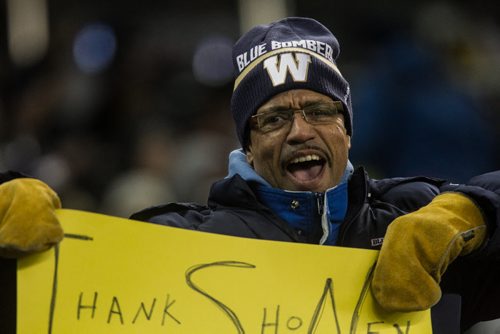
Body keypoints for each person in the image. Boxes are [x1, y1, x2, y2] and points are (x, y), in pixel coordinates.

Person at [1, 17, 499, 333]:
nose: (301, 131)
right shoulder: (178, 241)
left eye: (321, 111)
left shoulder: (414, 222)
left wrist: (474, 210)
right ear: (248, 144)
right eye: (274, 119)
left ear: (347, 129)